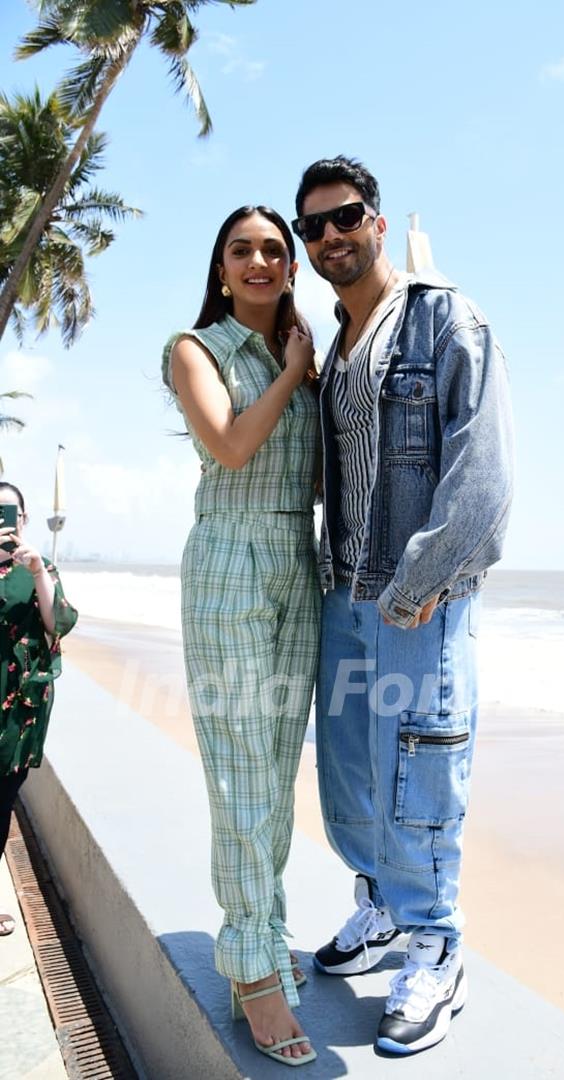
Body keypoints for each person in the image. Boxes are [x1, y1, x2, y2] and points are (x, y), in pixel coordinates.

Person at [292, 157, 514, 1054]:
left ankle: (437, 945)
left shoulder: (443, 317)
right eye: (313, 227)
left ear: (377, 223)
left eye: (344, 218)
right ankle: (382, 910)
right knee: (349, 771)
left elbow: (484, 472)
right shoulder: (337, 344)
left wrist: (419, 585)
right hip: (345, 591)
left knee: (421, 771)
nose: (329, 238)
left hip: (415, 602)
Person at [162, 205, 320, 1067]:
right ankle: (253, 968)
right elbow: (228, 445)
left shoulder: (301, 353)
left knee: (276, 765)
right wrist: (295, 373)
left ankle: (264, 932)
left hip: (299, 561)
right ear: (222, 269)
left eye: (273, 249)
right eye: (242, 250)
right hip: (230, 557)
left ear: (290, 267)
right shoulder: (197, 348)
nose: (259, 260)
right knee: (238, 767)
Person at [0, 482, 77, 936]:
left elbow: (58, 623)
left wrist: (35, 571)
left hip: (17, 711)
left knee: (2, 803)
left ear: (23, 520)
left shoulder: (38, 568)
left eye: (10, 513)